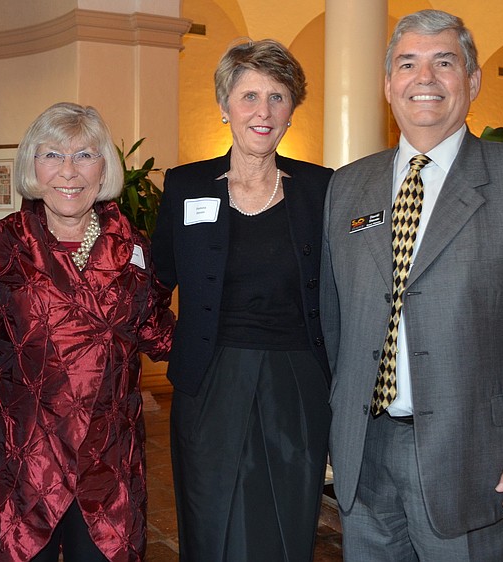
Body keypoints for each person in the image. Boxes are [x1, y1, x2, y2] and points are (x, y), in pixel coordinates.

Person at [320, 9, 503, 560]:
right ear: (387, 84)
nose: (424, 78)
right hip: (364, 456)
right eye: (407, 64)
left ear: (473, 80)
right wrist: (331, 429)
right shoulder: (347, 186)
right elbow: (333, 318)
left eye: (444, 62)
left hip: (476, 457)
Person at [0, 102, 175, 562]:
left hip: (108, 466)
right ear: (32, 165)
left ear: (104, 168)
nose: (69, 171)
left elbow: (158, 332)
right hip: (24, 466)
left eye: (84, 155)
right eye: (52, 155)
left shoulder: (134, 248)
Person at [151, 39, 333, 561]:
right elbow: (154, 282)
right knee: (211, 521)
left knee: (286, 519)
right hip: (209, 379)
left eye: (277, 97)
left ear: (292, 110)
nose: (263, 111)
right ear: (224, 105)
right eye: (249, 96)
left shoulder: (322, 188)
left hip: (297, 381)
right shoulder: (185, 185)